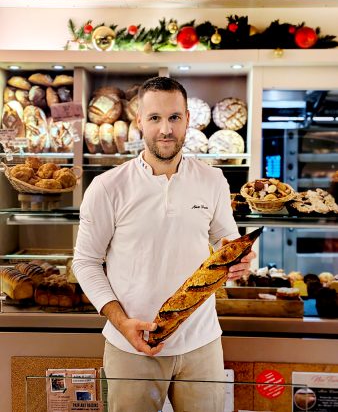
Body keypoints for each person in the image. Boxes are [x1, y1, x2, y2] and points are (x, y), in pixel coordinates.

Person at [72, 76, 256, 412]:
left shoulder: (212, 179)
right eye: (155, 118)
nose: (165, 129)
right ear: (139, 121)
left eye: (174, 118)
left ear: (187, 119)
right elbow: (85, 262)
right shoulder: (107, 187)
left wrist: (240, 258)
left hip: (202, 343)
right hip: (131, 344)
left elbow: (224, 238)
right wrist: (121, 321)